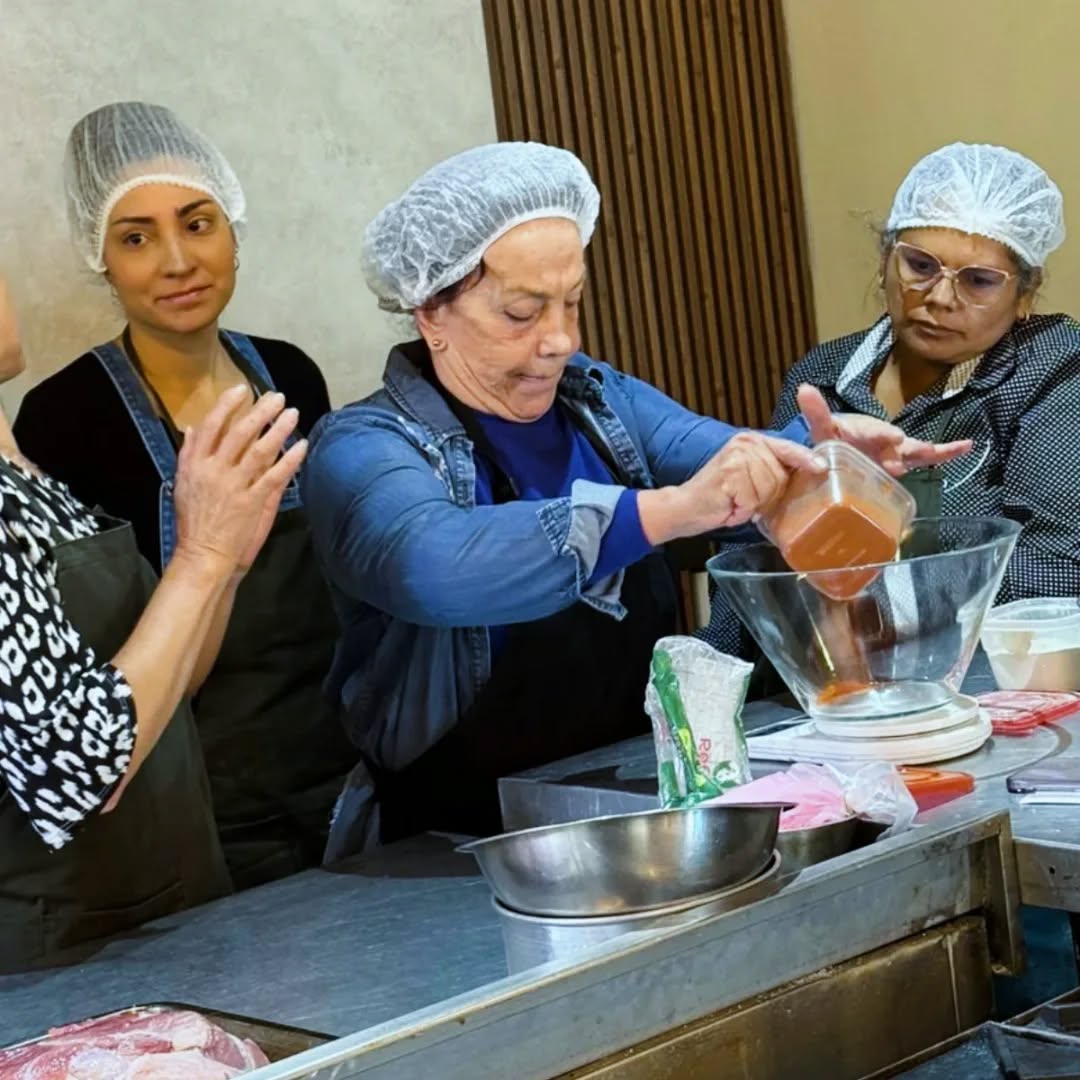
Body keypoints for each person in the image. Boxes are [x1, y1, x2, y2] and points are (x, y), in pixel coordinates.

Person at [300, 141, 965, 853]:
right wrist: (670, 511)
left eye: (572, 303)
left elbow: (716, 453)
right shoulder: (360, 450)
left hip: (631, 817)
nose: (559, 340)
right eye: (522, 313)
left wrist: (813, 461)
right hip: (445, 847)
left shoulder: (595, 400)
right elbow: (437, 566)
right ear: (430, 312)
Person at [14, 102, 356, 888]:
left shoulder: (291, 374)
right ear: (98, 258)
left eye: (198, 224)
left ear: (235, 230)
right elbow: (109, 672)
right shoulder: (68, 417)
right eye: (135, 238)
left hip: (344, 777)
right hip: (206, 808)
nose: (176, 261)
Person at [0, 272, 307, 971]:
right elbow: (75, 770)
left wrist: (223, 569)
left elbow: (161, 700)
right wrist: (199, 556)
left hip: (161, 911)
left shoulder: (23, 475)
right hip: (61, 967)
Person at [701, 141, 1080, 657]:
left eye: (980, 281)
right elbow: (759, 543)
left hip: (976, 682)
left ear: (1025, 296)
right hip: (812, 677)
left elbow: (1056, 565)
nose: (941, 299)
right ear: (885, 261)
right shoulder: (822, 375)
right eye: (920, 266)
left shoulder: (1052, 369)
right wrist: (720, 671)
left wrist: (876, 609)